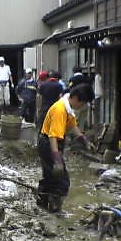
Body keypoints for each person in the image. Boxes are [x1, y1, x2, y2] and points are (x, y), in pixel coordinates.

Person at [37, 83, 95, 212]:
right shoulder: (60, 110)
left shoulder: (67, 106)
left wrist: (84, 140)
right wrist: (57, 160)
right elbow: (53, 136)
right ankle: (54, 210)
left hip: (49, 143)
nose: (82, 107)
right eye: (83, 103)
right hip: (49, 144)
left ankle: (42, 205)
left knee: (50, 177)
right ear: (76, 98)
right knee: (62, 182)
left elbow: (72, 125)